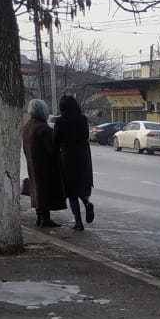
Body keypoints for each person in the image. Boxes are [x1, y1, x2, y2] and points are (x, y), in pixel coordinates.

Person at [21, 100, 66, 227]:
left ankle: (40, 217)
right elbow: (52, 149)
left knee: (37, 191)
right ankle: (45, 219)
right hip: (46, 166)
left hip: (33, 164)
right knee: (45, 191)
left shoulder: (27, 126)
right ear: (42, 111)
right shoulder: (43, 128)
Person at [54, 94, 95, 230]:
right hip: (83, 157)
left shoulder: (60, 121)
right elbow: (86, 136)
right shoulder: (83, 119)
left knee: (71, 192)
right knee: (81, 186)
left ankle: (78, 222)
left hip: (68, 158)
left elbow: (56, 141)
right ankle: (87, 203)